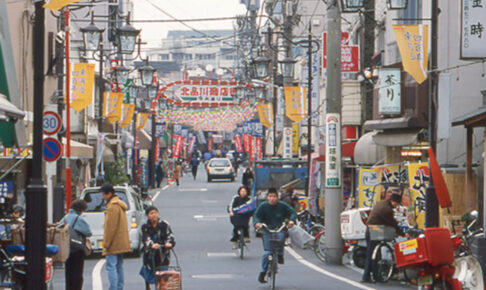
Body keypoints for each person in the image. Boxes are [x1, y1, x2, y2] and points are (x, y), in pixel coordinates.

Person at [253, 188, 297, 283]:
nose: (272, 198)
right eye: (270, 196)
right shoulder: (263, 206)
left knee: (281, 238)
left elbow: (292, 212)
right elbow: (256, 216)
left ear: (277, 197)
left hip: (279, 228)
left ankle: (280, 254)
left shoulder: (282, 205)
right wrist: (257, 223)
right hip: (267, 230)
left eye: (274, 196)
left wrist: (291, 220)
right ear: (267, 197)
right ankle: (263, 272)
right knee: (267, 252)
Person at [361, 193, 403, 283]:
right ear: (394, 202)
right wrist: (402, 233)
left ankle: (373, 276)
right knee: (372, 254)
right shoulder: (387, 209)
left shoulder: (381, 203)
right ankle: (367, 277)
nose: (396, 206)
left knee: (372, 253)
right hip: (376, 231)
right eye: (397, 204)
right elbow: (392, 223)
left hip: (370, 230)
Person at [101, 184, 131, 290]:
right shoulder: (119, 204)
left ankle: (114, 288)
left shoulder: (112, 206)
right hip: (121, 241)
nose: (102, 197)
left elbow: (110, 228)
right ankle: (119, 287)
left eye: (103, 194)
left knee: (111, 266)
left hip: (114, 242)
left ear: (109, 194)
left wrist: (106, 243)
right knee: (119, 266)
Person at [140, 206, 176, 290]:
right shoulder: (145, 227)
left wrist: (169, 243)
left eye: (155, 213)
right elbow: (145, 238)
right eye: (151, 213)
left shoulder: (164, 224)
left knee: (162, 279)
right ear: (147, 215)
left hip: (163, 256)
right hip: (150, 257)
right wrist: (151, 245)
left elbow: (170, 236)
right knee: (149, 275)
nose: (154, 215)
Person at [61, 199, 92, 290]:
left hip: (67, 249)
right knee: (77, 274)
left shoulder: (65, 218)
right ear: (80, 209)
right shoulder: (78, 219)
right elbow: (88, 232)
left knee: (69, 273)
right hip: (77, 249)